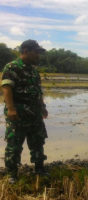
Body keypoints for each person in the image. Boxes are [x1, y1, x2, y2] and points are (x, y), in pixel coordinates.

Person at [1, 39, 48, 183]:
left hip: (35, 114)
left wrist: (43, 107)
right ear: (26, 51)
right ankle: (12, 174)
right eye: (36, 53)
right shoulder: (12, 67)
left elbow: (38, 91)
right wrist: (11, 109)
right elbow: (7, 88)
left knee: (38, 142)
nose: (38, 56)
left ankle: (39, 169)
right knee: (14, 145)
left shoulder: (34, 71)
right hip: (18, 114)